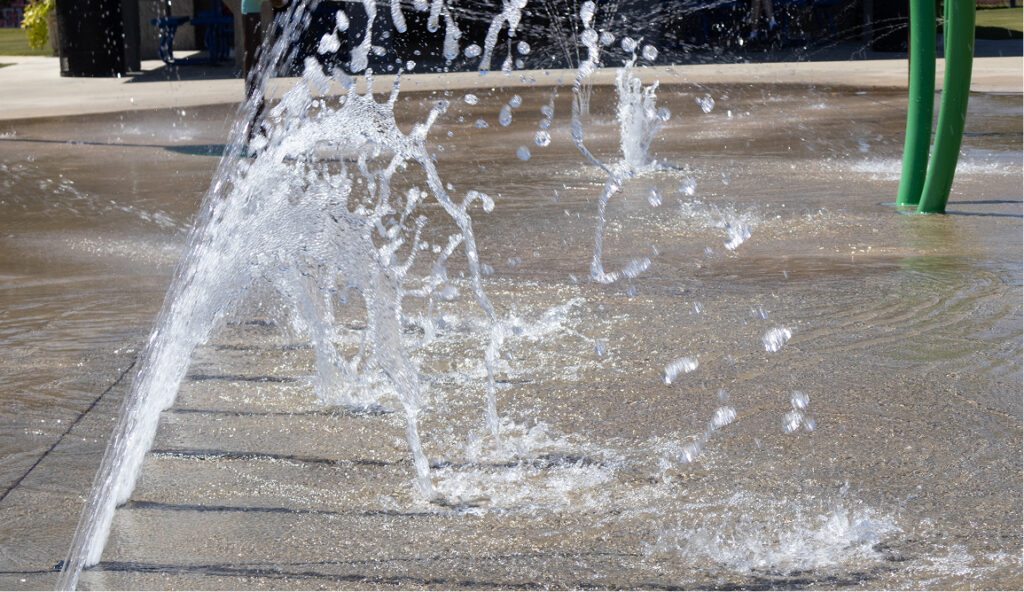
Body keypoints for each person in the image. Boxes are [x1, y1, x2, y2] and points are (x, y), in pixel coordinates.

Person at [242, 0, 289, 142]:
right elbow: (279, 3)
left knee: (254, 67)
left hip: (250, 9)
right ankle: (256, 128)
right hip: (250, 10)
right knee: (254, 66)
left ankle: (256, 128)